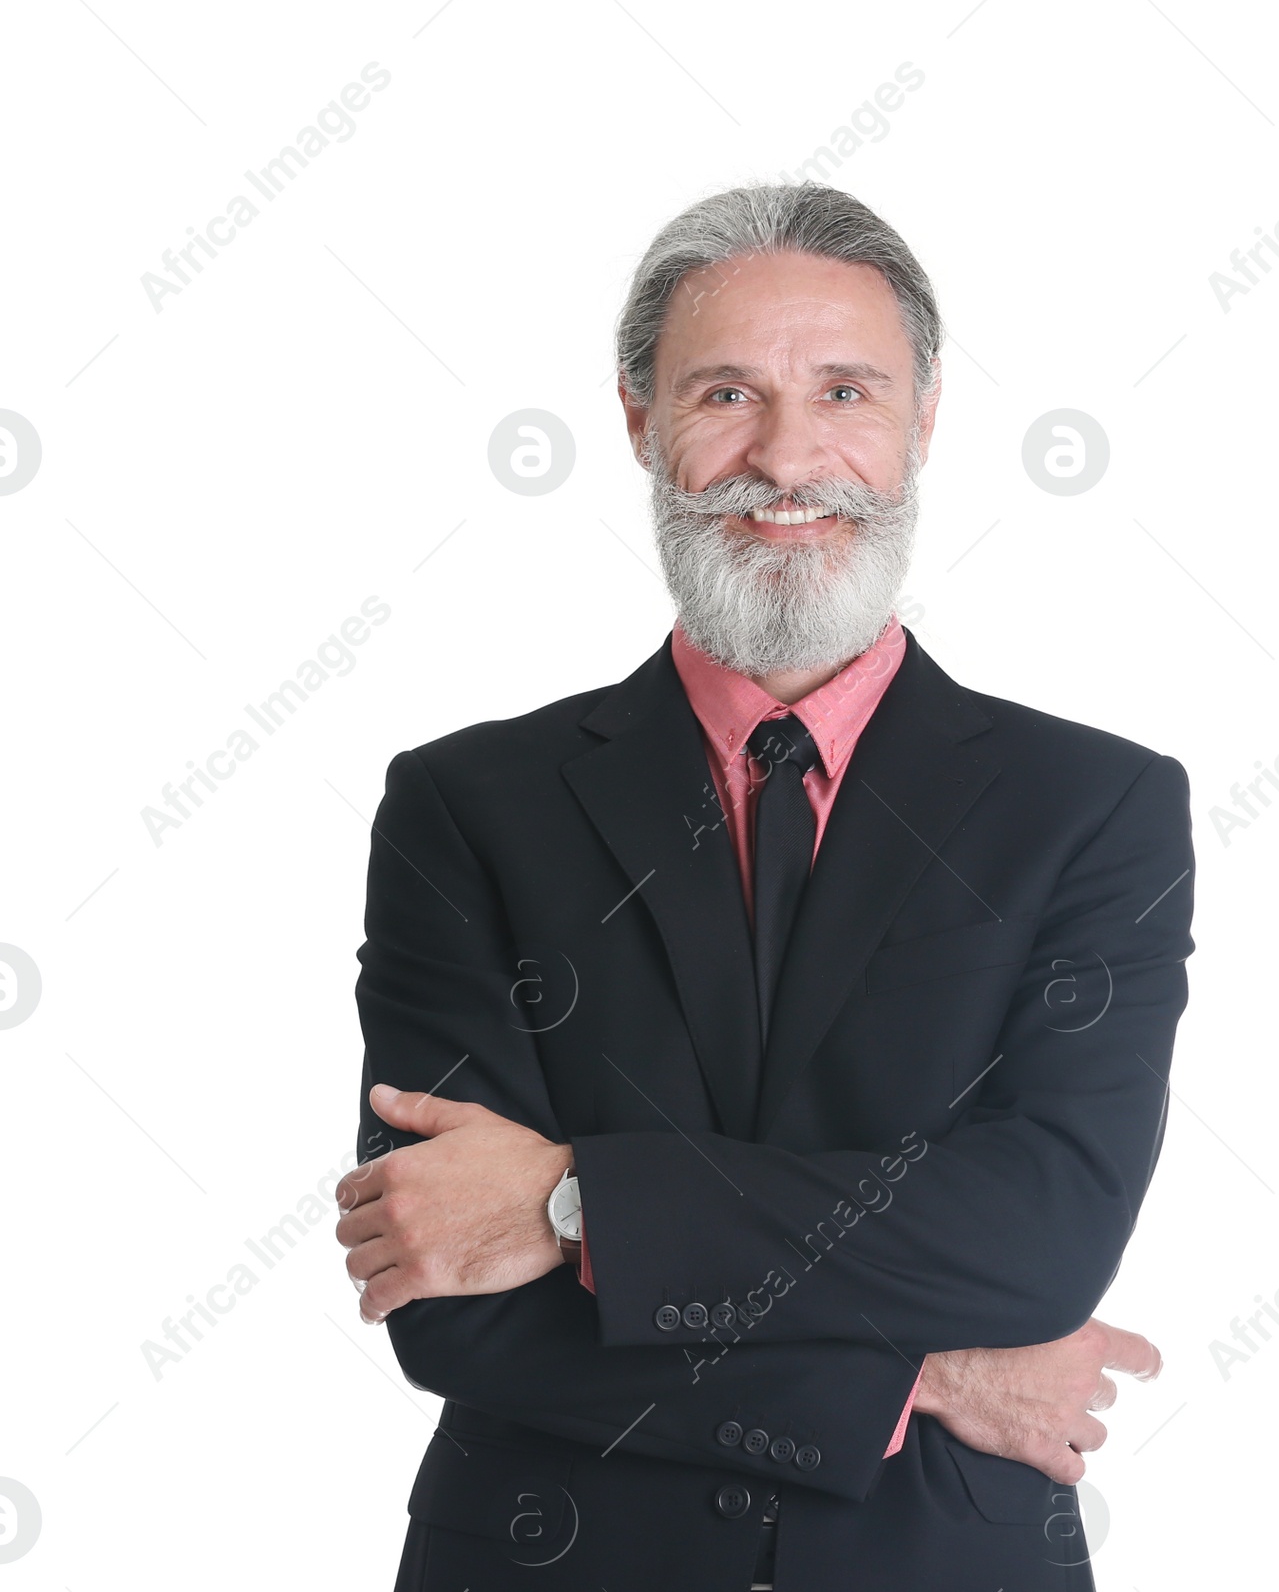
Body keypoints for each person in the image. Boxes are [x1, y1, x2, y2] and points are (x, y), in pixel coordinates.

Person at [334, 181, 1196, 1590]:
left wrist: (570, 1204)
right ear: (638, 423)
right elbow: (447, 1300)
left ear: (922, 423)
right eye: (725, 392)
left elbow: (1040, 1242)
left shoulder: (1091, 808)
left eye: (845, 391)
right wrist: (914, 1381)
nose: (787, 458)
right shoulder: (465, 806)